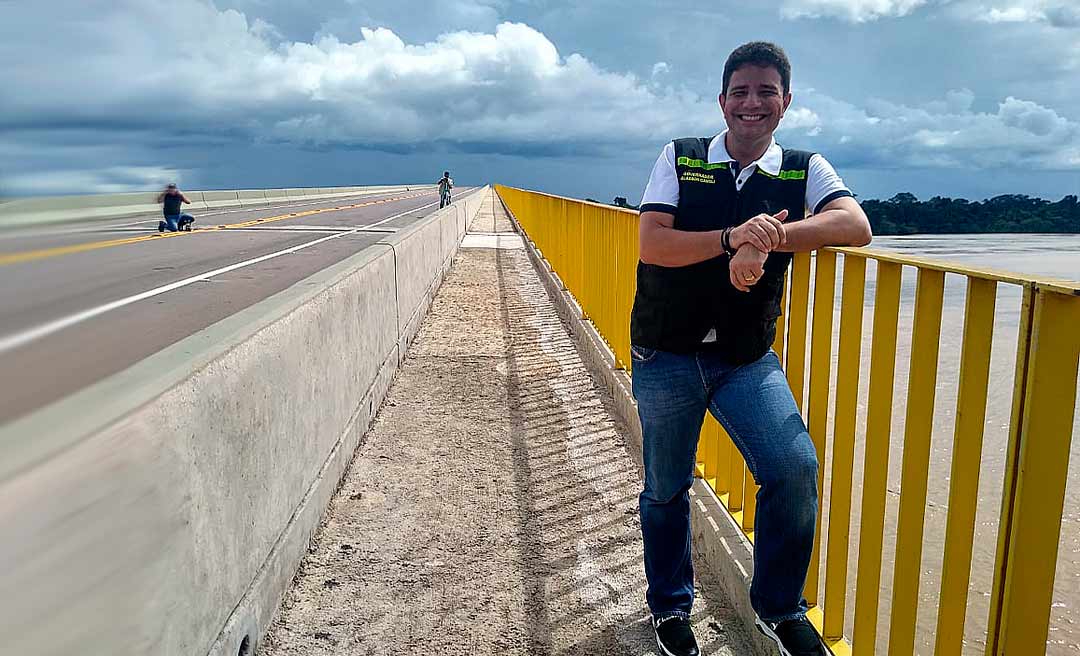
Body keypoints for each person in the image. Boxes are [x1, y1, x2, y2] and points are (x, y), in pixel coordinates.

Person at [630, 41, 871, 656]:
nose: (752, 103)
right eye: (741, 91)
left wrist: (771, 238)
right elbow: (654, 244)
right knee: (666, 484)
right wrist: (734, 236)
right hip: (667, 351)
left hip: (744, 356)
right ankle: (670, 609)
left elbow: (854, 226)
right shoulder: (680, 158)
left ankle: (778, 607)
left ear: (786, 102)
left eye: (766, 91)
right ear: (722, 100)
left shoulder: (803, 166)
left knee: (793, 469)